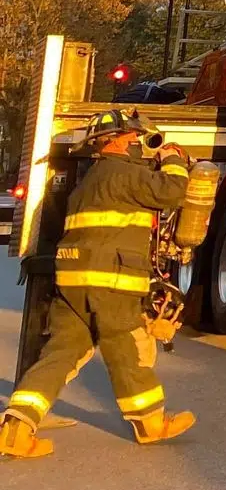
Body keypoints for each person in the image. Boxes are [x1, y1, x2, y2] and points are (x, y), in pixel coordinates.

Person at [0, 110, 196, 460]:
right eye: (135, 138)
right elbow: (170, 194)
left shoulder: (89, 181)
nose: (139, 143)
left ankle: (17, 427)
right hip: (110, 280)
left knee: (60, 354)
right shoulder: (124, 173)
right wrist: (173, 161)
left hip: (74, 281)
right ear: (120, 140)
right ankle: (150, 424)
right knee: (126, 350)